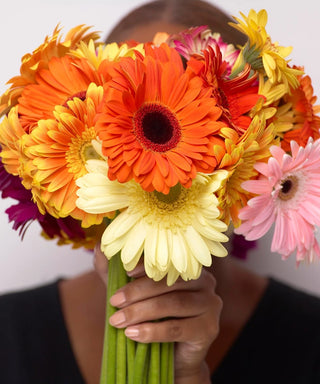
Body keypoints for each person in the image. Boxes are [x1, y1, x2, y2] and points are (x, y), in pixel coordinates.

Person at [1, 1, 320, 383]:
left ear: (261, 152)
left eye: (204, 123)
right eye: (116, 117)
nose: (154, 172)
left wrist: (189, 376)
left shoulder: (309, 337)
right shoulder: (9, 331)